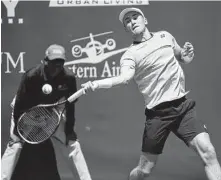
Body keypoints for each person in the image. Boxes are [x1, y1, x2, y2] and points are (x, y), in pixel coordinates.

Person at [81, 8, 221, 180]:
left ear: (145, 20)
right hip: (157, 115)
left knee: (208, 152)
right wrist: (96, 84)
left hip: (182, 108)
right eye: (127, 21)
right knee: (143, 171)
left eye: (135, 17)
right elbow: (124, 78)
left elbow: (181, 57)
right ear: (126, 28)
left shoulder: (165, 36)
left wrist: (187, 55)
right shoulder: (129, 55)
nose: (132, 21)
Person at [1, 44, 92, 180]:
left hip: (51, 113)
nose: (57, 66)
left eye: (60, 62)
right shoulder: (31, 75)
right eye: (54, 62)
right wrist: (17, 132)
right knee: (15, 144)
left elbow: (70, 105)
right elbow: (19, 104)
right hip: (26, 112)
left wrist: (69, 130)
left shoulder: (69, 77)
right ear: (45, 61)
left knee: (72, 144)